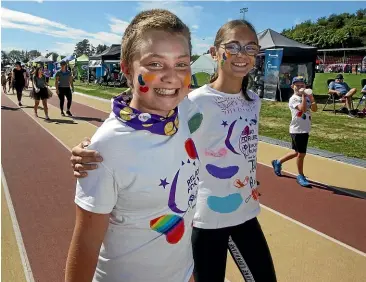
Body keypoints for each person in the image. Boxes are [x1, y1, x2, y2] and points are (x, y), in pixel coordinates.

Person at [70, 19, 277, 282]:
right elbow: (146, 110)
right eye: (233, 46)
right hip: (206, 216)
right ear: (215, 53)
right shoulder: (190, 103)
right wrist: (89, 148)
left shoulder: (253, 101)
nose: (241, 55)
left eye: (250, 48)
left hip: (245, 210)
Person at [65, 9, 197, 282]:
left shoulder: (184, 113)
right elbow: (86, 245)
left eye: (181, 64)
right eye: (156, 64)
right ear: (127, 69)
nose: (172, 77)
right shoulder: (106, 149)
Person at [272, 76, 317, 187]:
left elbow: (314, 109)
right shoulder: (294, 98)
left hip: (305, 129)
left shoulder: (306, 97)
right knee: (301, 154)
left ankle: (278, 162)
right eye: (298, 85)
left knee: (296, 152)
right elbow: (302, 109)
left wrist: (311, 98)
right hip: (297, 130)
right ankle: (300, 176)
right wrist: (303, 95)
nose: (300, 87)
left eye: (302, 85)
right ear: (293, 86)